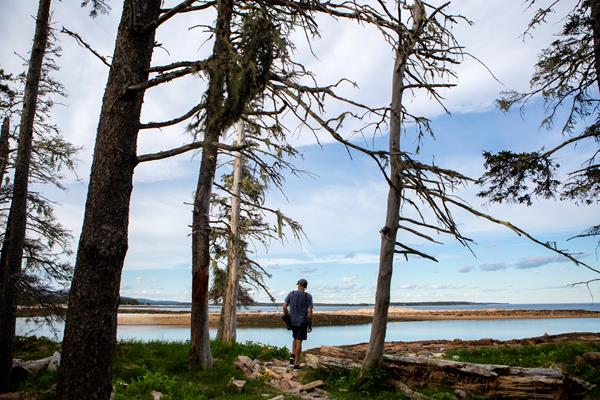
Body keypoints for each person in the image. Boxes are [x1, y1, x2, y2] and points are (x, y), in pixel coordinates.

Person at [283, 278, 313, 369]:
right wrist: (309, 322)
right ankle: (296, 364)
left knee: (295, 338)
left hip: (292, 321)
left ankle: (292, 358)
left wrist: (287, 316)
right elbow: (309, 311)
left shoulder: (291, 294)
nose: (297, 286)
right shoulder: (308, 296)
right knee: (299, 342)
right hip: (302, 322)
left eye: (298, 284)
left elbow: (284, 307)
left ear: (300, 285)